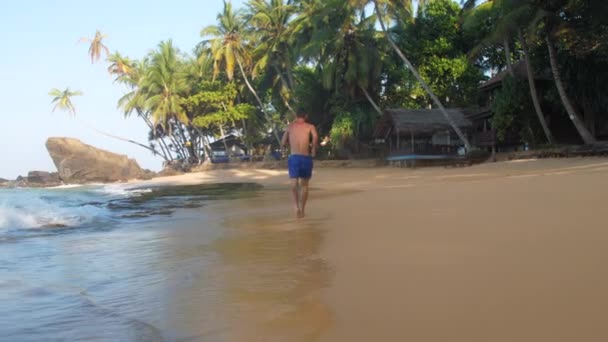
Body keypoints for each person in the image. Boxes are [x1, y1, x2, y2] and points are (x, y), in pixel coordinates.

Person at [281, 112, 318, 218]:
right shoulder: (310, 126)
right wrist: (313, 148)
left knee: (294, 183)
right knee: (305, 185)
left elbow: (283, 142)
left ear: (296, 116)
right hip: (306, 157)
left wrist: (288, 145)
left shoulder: (290, 127)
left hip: (294, 157)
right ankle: (302, 209)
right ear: (306, 116)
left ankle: (296, 206)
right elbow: (315, 137)